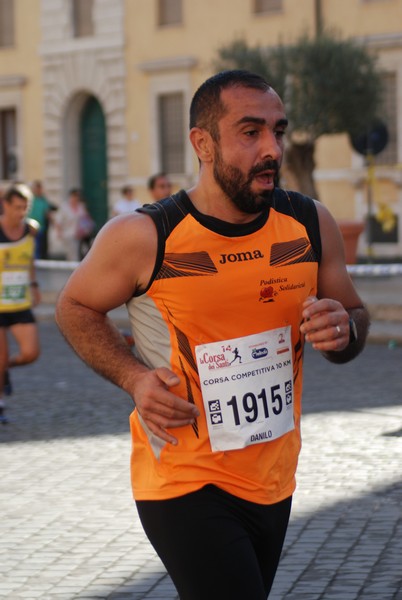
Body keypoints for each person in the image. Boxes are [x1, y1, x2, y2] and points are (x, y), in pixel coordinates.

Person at [55, 70, 370, 599]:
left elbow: (355, 318)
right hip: (184, 477)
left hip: (274, 474)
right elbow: (74, 306)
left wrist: (343, 329)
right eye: (250, 132)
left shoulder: (310, 223)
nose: (271, 148)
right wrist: (134, 379)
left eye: (278, 130)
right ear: (202, 142)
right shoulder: (145, 235)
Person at [0, 184, 41, 424]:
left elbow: (29, 259)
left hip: (19, 301)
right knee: (1, 356)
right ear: (5, 205)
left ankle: (3, 369)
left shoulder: (31, 230)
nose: (21, 212)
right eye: (17, 207)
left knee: (30, 353)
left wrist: (34, 284)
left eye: (25, 207)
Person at [55, 188, 94, 261]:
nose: (76, 198)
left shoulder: (81, 206)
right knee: (73, 255)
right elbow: (58, 221)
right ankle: (73, 270)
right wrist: (59, 232)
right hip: (69, 234)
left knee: (83, 252)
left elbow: (85, 219)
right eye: (74, 196)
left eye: (77, 196)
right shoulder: (64, 207)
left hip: (81, 234)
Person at [27, 180, 58, 259]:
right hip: (30, 227)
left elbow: (47, 212)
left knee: (40, 247)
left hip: (41, 227)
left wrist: (54, 223)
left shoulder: (43, 200)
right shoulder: (30, 199)